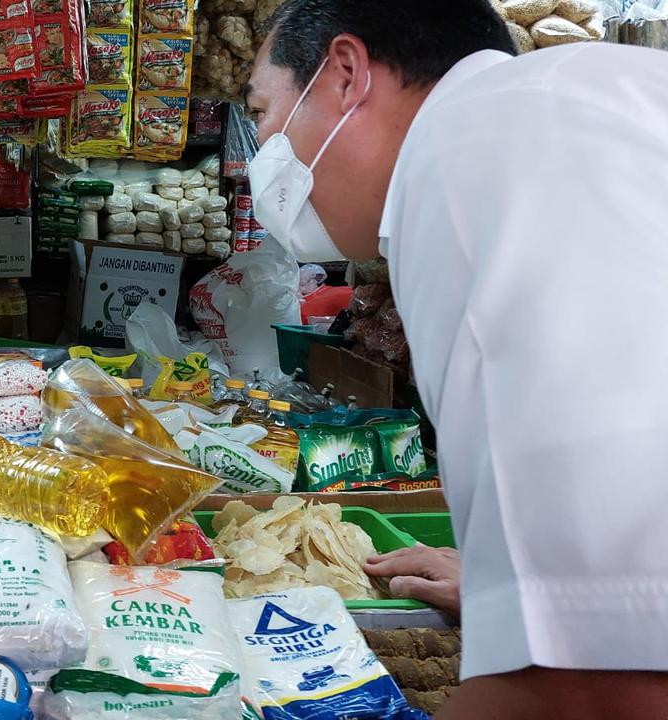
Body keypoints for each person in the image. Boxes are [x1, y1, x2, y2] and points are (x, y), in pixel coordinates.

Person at [244, 0, 668, 716]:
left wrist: (563, 615)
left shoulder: (471, 158)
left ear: (345, 74)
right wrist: (519, 583)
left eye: (261, 113)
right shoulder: (568, 104)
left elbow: (592, 688)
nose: (263, 152)